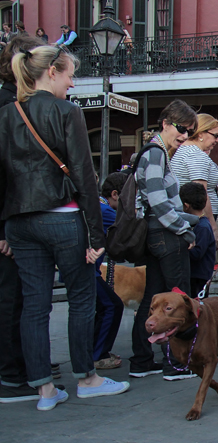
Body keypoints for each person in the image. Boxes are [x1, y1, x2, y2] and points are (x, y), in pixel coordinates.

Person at [0, 45, 130, 411]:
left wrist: (2, 229)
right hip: (62, 216)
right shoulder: (65, 111)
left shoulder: (7, 114)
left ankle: (43, 389)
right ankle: (87, 378)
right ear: (52, 72)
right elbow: (84, 177)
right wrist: (96, 234)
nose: (73, 82)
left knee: (34, 306)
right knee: (81, 299)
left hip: (19, 222)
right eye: (70, 74)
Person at [0, 35, 68, 404]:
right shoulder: (11, 107)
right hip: (36, 216)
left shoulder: (12, 107)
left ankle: (35, 374)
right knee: (22, 301)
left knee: (31, 302)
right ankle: (17, 373)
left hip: (18, 218)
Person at [128, 99, 199, 382]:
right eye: (181, 129)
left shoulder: (153, 152)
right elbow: (158, 201)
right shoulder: (156, 153)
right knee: (176, 302)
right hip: (164, 235)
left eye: (189, 132)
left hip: (154, 235)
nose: (183, 136)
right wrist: (185, 229)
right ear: (166, 122)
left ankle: (142, 360)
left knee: (153, 300)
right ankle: (174, 362)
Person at [171, 113, 218, 248]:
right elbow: (201, 193)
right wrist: (213, 227)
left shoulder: (182, 151)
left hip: (188, 217)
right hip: (199, 219)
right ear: (201, 134)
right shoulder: (196, 156)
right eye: (215, 135)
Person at [94, 172, 127, 370]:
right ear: (115, 194)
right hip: (88, 271)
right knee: (112, 306)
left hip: (91, 270)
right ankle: (98, 353)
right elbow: (128, 227)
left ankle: (97, 350)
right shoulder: (105, 211)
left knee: (104, 307)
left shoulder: (99, 207)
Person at [181, 182, 216, 298]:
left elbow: (197, 253)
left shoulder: (202, 227)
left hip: (199, 276)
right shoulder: (200, 224)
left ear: (186, 206)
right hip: (196, 275)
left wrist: (182, 248)